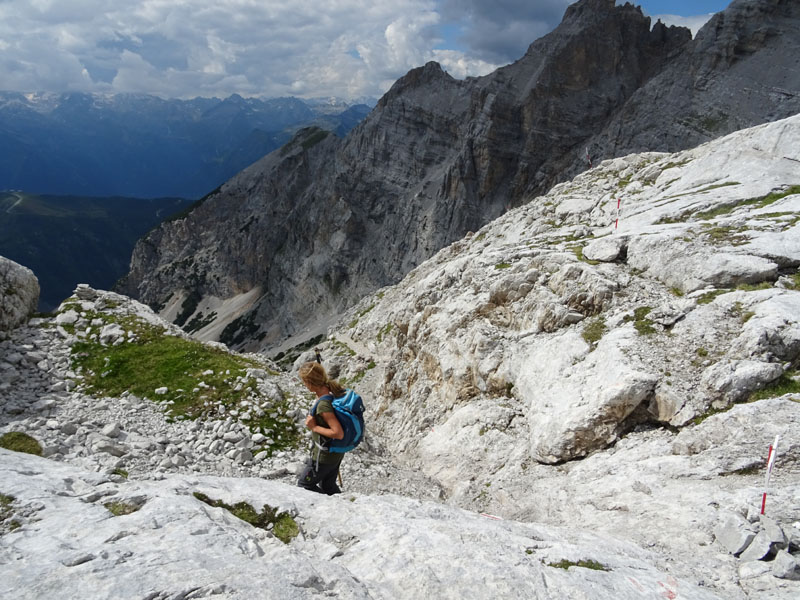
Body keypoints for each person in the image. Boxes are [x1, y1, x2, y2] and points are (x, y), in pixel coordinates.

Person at [297, 361, 345, 495]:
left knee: (304, 484)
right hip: (336, 453)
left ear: (310, 382)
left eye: (304, 382)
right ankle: (343, 507)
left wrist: (314, 427)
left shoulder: (323, 405)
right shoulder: (331, 391)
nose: (304, 385)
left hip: (324, 456)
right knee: (327, 485)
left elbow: (338, 433)